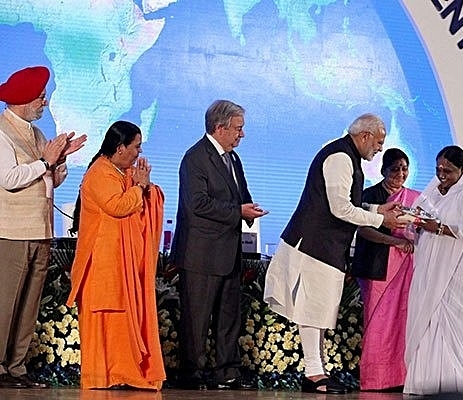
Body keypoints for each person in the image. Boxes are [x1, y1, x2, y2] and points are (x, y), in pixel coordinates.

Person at [263, 113, 407, 395]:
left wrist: (378, 210)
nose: (379, 149)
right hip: (315, 246)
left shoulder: (348, 157)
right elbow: (339, 208)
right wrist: (381, 221)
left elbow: (348, 202)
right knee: (312, 310)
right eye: (378, 142)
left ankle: (317, 371)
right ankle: (313, 373)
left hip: (326, 248)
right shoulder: (340, 157)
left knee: (319, 310)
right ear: (364, 136)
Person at [0, 66, 86, 389]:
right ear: (23, 99)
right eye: (39, 96)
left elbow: (48, 181)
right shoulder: (2, 132)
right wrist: (46, 162)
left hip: (40, 231)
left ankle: (17, 367)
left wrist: (59, 162)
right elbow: (8, 179)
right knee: (6, 302)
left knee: (29, 304)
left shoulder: (36, 135)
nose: (44, 102)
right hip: (12, 232)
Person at [172, 100, 267, 390]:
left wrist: (249, 210)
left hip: (228, 251)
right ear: (220, 127)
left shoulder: (232, 158)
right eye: (238, 129)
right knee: (197, 319)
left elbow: (240, 195)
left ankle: (227, 372)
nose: (242, 135)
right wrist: (238, 212)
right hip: (201, 253)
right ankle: (192, 373)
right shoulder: (195, 158)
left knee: (229, 317)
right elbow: (197, 204)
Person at [66, 121, 165, 390]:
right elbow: (117, 206)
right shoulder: (100, 173)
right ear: (120, 148)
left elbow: (140, 198)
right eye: (136, 146)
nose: (138, 152)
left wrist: (146, 188)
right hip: (102, 263)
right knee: (106, 318)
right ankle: (103, 375)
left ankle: (123, 373)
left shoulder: (119, 172)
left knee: (119, 319)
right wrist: (140, 188)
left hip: (120, 262)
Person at [404, 145, 463, 398]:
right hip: (430, 268)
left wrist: (440, 227)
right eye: (438, 169)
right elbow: (420, 213)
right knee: (428, 318)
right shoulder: (433, 188)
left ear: (462, 170)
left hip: (458, 271)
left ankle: (461, 382)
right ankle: (424, 381)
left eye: (449, 171)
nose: (442, 175)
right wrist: (416, 220)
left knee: (457, 324)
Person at [351, 148, 419, 391]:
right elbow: (363, 228)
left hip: (406, 267)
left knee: (403, 321)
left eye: (404, 168)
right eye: (394, 169)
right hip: (377, 266)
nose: (400, 174)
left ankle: (400, 376)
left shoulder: (413, 199)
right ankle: (376, 379)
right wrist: (395, 242)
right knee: (377, 321)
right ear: (383, 171)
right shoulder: (370, 195)